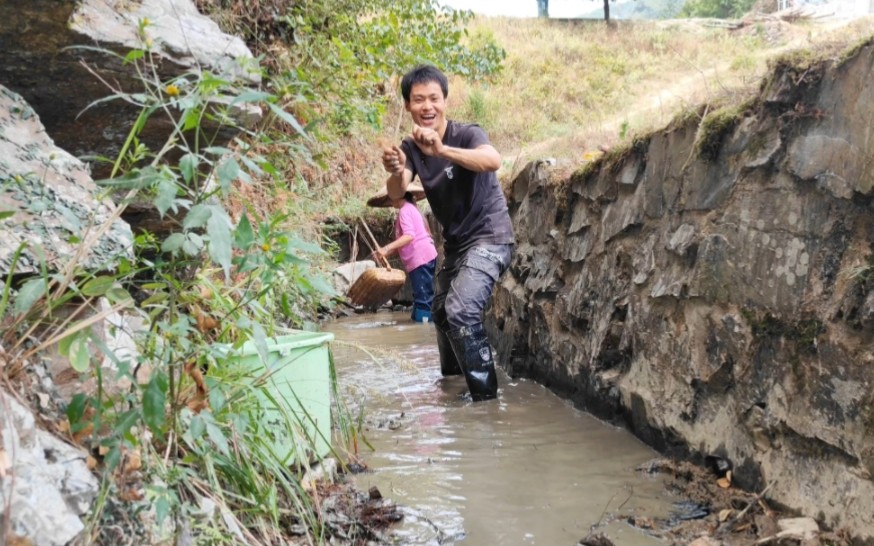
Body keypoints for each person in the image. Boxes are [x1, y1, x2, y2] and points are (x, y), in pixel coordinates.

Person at [380, 64, 515, 402]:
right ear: (408, 106)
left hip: (490, 237)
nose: (427, 106)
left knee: (461, 309)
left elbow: (492, 160)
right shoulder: (409, 147)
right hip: (458, 248)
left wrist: (441, 151)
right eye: (418, 99)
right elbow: (397, 191)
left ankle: (485, 399)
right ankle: (455, 382)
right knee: (440, 310)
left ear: (445, 101)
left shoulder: (466, 134)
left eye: (434, 99)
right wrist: (397, 170)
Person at [372, 189, 438, 323]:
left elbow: (409, 236)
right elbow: (408, 239)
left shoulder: (404, 210)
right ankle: (420, 324)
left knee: (423, 298)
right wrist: (386, 252)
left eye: (391, 198)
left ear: (397, 196)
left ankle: (424, 332)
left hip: (420, 258)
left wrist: (386, 248)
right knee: (422, 295)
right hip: (425, 256)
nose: (390, 202)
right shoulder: (412, 208)